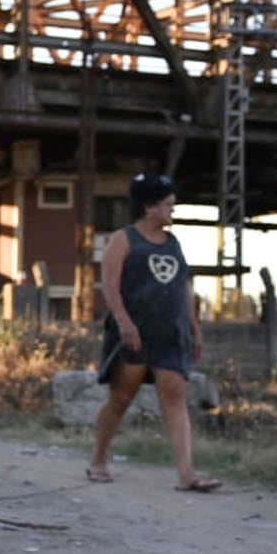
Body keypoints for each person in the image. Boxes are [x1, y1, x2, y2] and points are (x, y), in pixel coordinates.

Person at [88, 173, 222, 492]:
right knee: (121, 399)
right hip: (134, 333)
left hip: (171, 335)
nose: (172, 211)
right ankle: (98, 460)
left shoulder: (173, 243)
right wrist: (124, 322)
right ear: (149, 207)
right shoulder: (123, 239)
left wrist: (195, 328)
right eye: (167, 206)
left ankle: (187, 474)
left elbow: (183, 288)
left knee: (175, 397)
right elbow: (109, 284)